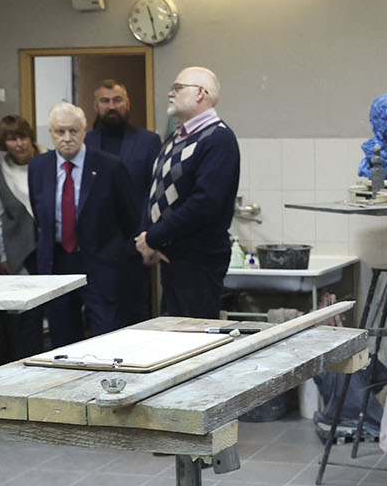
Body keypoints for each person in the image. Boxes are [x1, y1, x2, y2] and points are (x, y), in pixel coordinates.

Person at [28, 102, 139, 347]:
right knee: (62, 340)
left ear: (84, 131)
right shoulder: (38, 167)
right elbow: (40, 214)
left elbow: (130, 218)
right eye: (60, 131)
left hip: (100, 263)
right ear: (51, 133)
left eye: (74, 131)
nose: (67, 138)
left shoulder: (110, 166)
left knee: (108, 338)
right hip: (58, 262)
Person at [135, 67, 239, 319]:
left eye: (178, 88)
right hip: (172, 256)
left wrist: (155, 236)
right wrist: (148, 236)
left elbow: (205, 203)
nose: (170, 93)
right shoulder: (176, 137)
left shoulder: (218, 139)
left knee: (194, 334)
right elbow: (155, 188)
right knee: (175, 332)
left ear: (200, 93)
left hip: (198, 259)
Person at [86, 80, 161, 325]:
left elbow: (153, 193)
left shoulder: (148, 141)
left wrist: (150, 238)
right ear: (96, 106)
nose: (111, 106)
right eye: (105, 101)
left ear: (127, 103)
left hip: (134, 247)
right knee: (100, 321)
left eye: (117, 100)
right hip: (95, 251)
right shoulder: (85, 143)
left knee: (136, 318)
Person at [0, 114, 43, 359]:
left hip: (50, 249)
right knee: (26, 320)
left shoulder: (48, 164)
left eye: (22, 137)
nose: (19, 144)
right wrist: (3, 255)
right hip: (19, 254)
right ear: (3, 143)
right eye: (11, 139)